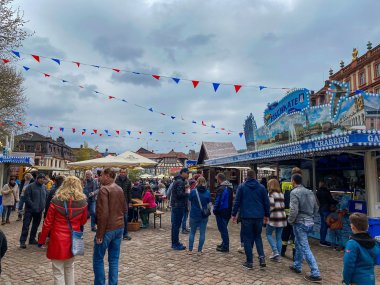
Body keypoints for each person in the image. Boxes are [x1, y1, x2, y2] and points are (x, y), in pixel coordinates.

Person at [38, 176, 88, 285]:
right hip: (73, 238)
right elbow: (83, 221)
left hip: (57, 238)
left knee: (58, 270)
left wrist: (42, 240)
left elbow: (47, 223)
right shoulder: (83, 202)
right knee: (70, 268)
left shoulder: (56, 200)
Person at [93, 168, 127, 285]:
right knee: (114, 260)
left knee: (98, 259)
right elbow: (125, 209)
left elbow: (103, 214)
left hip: (107, 229)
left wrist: (99, 234)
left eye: (101, 175)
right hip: (119, 228)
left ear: (107, 176)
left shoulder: (104, 189)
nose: (99, 177)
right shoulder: (120, 189)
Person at [232, 170, 270, 269]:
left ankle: (249, 262)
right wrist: (267, 215)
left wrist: (233, 214)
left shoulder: (241, 187)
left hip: (246, 216)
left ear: (247, 177)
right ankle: (261, 258)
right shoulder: (262, 188)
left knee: (247, 238)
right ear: (255, 176)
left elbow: (237, 201)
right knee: (258, 237)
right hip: (258, 216)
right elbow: (266, 203)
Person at [288, 173, 322, 283]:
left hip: (300, 223)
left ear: (293, 181)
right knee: (298, 243)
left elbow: (294, 210)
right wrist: (311, 216)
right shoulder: (310, 192)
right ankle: (297, 265)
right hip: (310, 222)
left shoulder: (294, 192)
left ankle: (315, 272)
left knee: (304, 247)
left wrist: (290, 220)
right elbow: (317, 207)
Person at [342, 213, 380, 285]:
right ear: (368, 226)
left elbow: (348, 265)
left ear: (352, 226)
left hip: (356, 280)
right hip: (370, 279)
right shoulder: (375, 243)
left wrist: (345, 281)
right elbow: (375, 260)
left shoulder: (352, 243)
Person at [19, 173, 47, 248]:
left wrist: (43, 206)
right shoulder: (30, 186)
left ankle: (32, 239)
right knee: (26, 225)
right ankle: (22, 241)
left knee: (35, 226)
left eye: (43, 178)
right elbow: (27, 198)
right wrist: (33, 205)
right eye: (40, 178)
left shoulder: (44, 187)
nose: (42, 180)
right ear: (37, 178)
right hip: (29, 210)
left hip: (39, 210)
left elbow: (45, 198)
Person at [188, 177, 210, 255]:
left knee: (192, 232)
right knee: (202, 233)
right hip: (203, 215)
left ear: (197, 182)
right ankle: (199, 251)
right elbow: (208, 204)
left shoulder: (193, 191)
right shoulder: (207, 192)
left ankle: (190, 250)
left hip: (194, 214)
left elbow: (190, 201)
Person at [266, 178, 287, 262]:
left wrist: (266, 214)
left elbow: (271, 207)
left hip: (274, 217)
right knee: (279, 237)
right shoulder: (281, 194)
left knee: (268, 234)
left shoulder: (271, 194)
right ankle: (278, 256)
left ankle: (275, 252)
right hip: (282, 217)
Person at [213, 173, 233, 253]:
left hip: (221, 211)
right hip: (228, 211)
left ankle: (225, 246)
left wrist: (215, 210)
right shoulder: (230, 187)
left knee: (223, 229)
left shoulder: (221, 188)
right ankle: (224, 243)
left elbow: (218, 200)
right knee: (223, 229)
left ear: (219, 179)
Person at [170, 168, 190, 250]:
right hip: (178, 205)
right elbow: (179, 194)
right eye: (187, 173)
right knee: (176, 225)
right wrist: (187, 192)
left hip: (177, 205)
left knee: (176, 225)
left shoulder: (179, 181)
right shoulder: (180, 181)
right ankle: (175, 244)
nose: (188, 175)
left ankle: (175, 242)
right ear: (183, 173)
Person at [316, 181, 337, 247]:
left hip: (321, 209)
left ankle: (322, 240)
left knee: (323, 225)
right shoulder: (326, 191)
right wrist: (336, 201)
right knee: (325, 225)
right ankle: (323, 241)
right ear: (325, 185)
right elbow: (331, 200)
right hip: (326, 209)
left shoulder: (318, 192)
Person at [115, 168, 132, 240]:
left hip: (125, 201)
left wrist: (130, 202)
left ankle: (125, 233)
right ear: (119, 173)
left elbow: (129, 192)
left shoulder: (128, 181)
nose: (123, 173)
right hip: (117, 201)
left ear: (126, 173)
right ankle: (118, 234)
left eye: (124, 172)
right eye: (121, 172)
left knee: (125, 217)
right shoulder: (116, 180)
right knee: (117, 218)